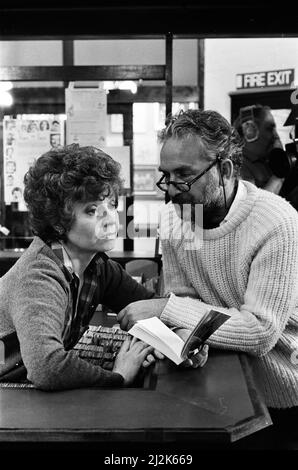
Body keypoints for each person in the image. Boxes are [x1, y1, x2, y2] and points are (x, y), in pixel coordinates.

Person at [117, 109, 298, 448]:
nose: (171, 190)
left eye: (183, 175)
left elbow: (259, 331)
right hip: (218, 386)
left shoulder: (277, 223)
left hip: (284, 396)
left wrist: (165, 308)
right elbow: (185, 299)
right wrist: (187, 338)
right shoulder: (176, 219)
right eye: (165, 176)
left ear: (225, 170)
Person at [0, 144, 158, 391]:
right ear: (58, 222)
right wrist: (118, 376)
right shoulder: (38, 276)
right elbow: (47, 368)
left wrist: (180, 339)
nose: (110, 219)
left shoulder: (98, 267)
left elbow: (150, 307)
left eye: (111, 205)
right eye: (92, 210)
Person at [234, 104, 287, 194]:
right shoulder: (238, 166)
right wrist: (280, 172)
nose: (276, 135)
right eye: (269, 128)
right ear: (249, 131)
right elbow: (253, 204)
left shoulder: (266, 160)